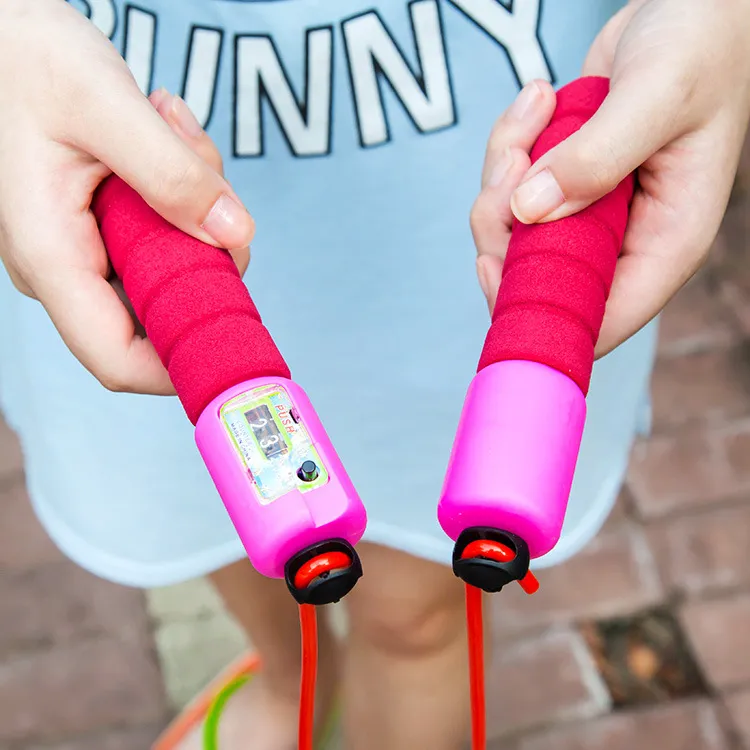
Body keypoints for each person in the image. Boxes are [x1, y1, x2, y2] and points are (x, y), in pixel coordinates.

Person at [0, 0, 747, 748]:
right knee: (219, 527)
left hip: (489, 170)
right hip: (94, 111)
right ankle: (296, 681)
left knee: (418, 618)